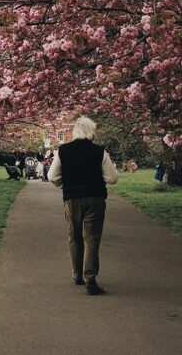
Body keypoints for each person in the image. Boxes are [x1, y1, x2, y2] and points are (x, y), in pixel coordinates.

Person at [48, 117, 118, 295]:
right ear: (91, 132)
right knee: (91, 239)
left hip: (72, 200)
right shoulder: (99, 152)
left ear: (75, 132)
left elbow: (52, 177)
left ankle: (77, 274)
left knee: (74, 237)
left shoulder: (63, 151)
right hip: (95, 199)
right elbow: (112, 178)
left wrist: (67, 186)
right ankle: (90, 279)